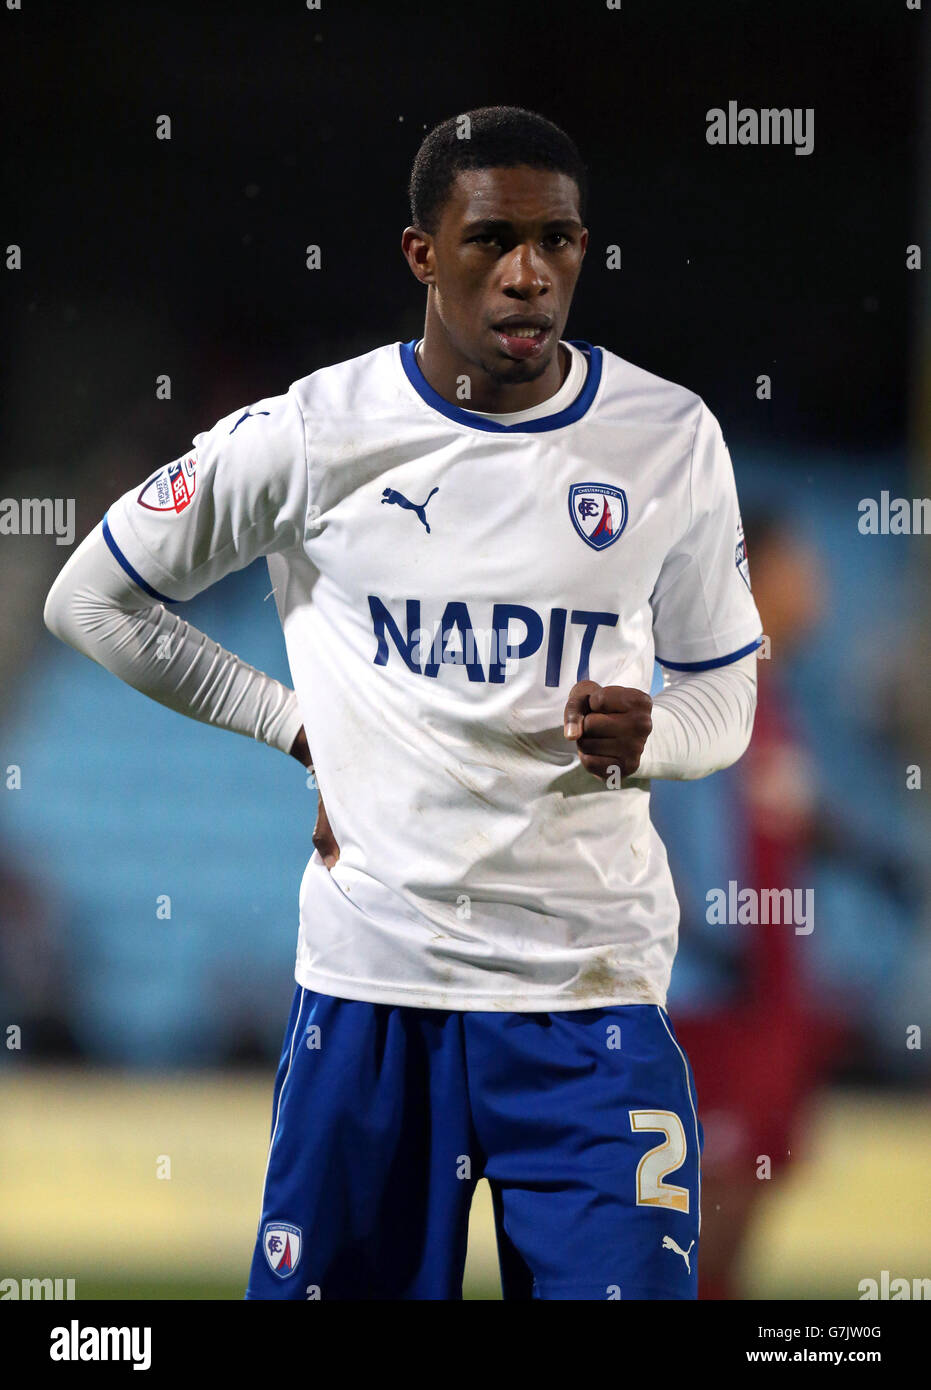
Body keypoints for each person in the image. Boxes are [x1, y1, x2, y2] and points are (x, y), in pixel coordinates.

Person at [44, 106, 762, 1301]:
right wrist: (292, 726)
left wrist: (661, 735)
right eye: (491, 240)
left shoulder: (667, 438)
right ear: (423, 254)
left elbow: (724, 687)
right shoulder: (316, 433)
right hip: (374, 992)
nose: (529, 273)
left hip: (589, 1001)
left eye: (557, 241)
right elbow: (90, 599)